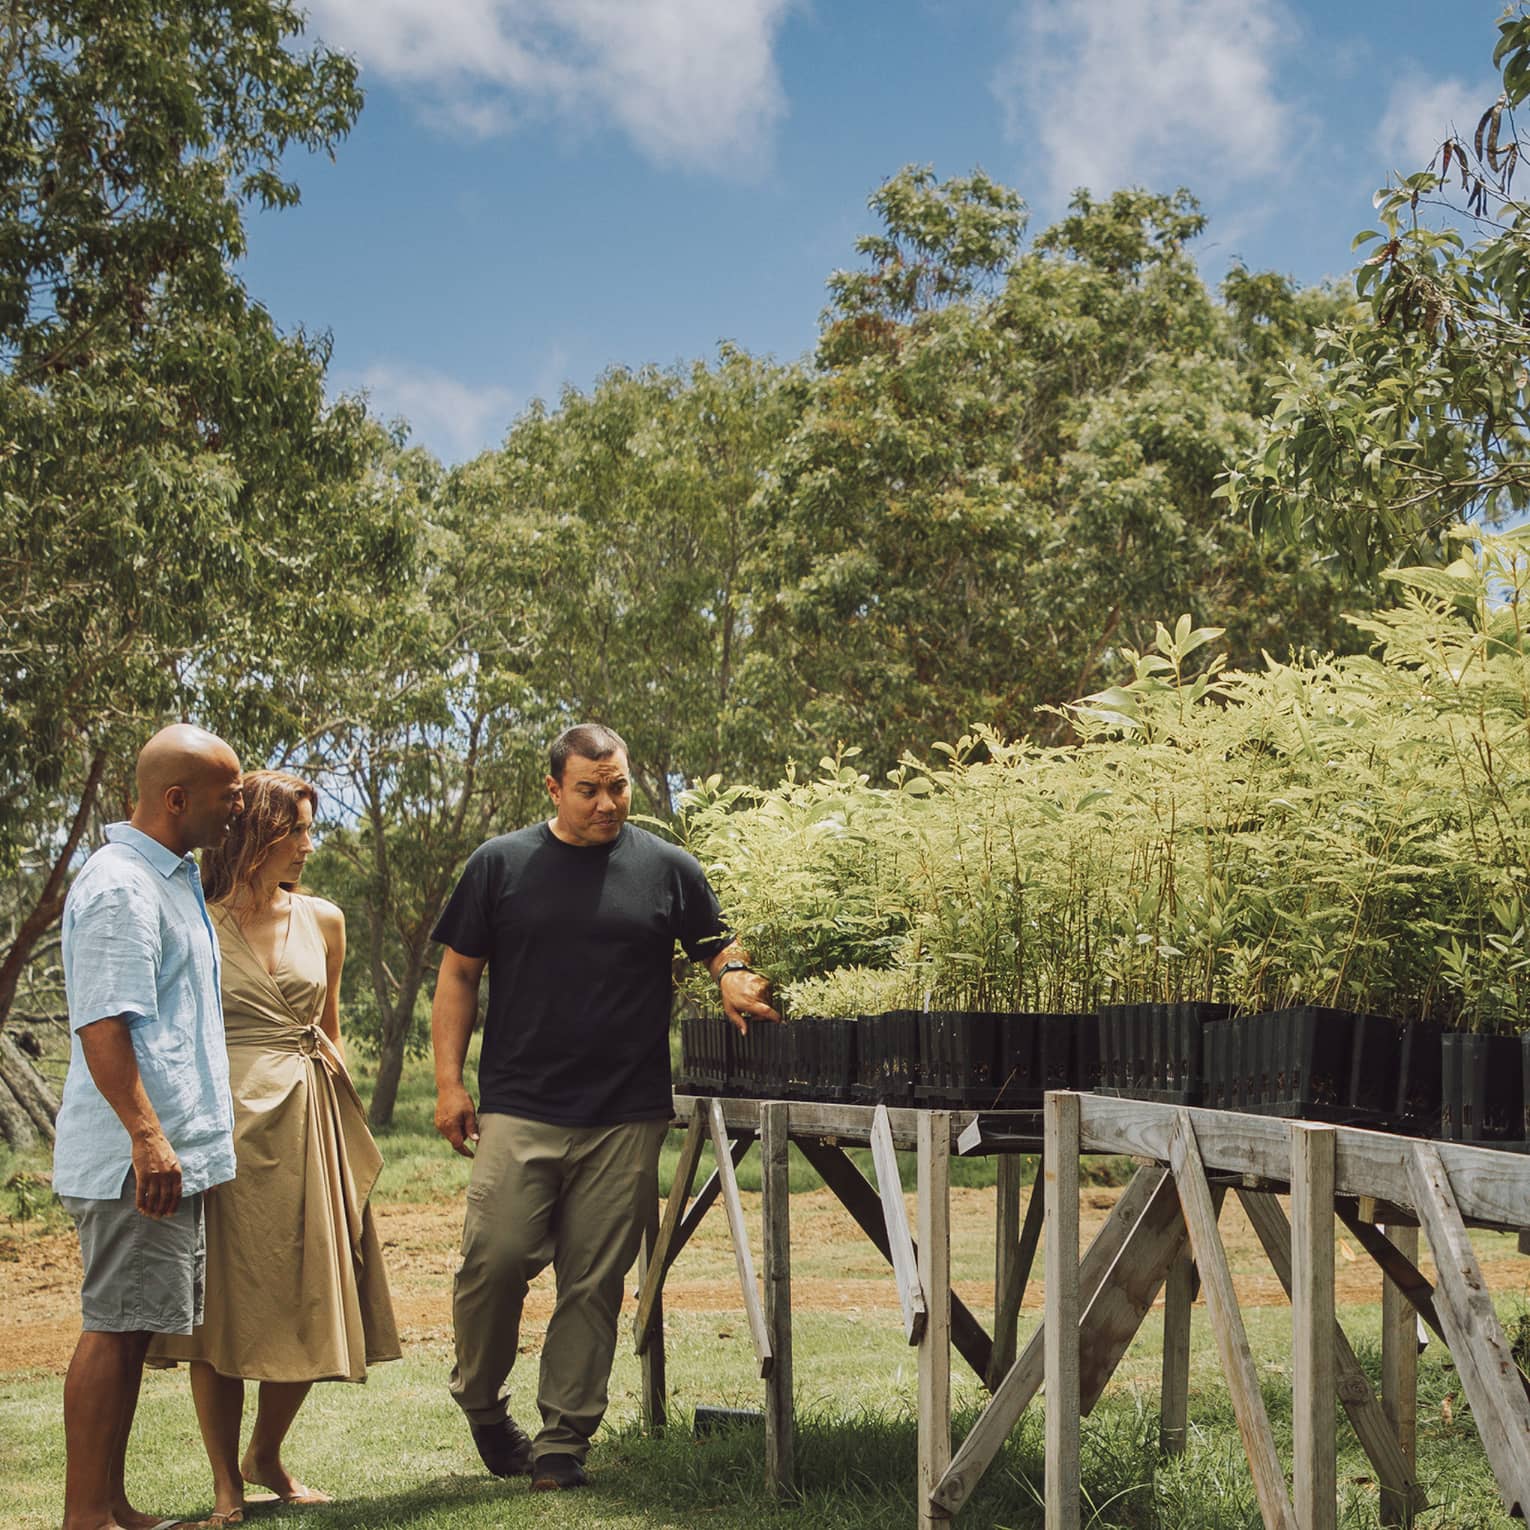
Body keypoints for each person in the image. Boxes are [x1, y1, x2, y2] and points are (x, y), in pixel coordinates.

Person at [431, 722, 779, 1491]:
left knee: (594, 1281)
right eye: (588, 789)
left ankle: (562, 1444)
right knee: (493, 1262)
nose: (607, 803)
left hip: (627, 1110)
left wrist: (734, 975)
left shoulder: (667, 869)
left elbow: (720, 945)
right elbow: (458, 975)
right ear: (553, 789)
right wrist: (450, 1083)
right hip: (521, 1104)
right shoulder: (500, 866)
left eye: (618, 786)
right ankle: (485, 1407)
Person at [148, 770, 401, 1525]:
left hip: (307, 1118)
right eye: (294, 831)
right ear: (255, 832)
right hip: (222, 1123)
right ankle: (227, 1483)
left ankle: (267, 1453)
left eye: (309, 830)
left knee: (313, 1293)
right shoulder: (195, 916)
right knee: (218, 1311)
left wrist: (347, 1126)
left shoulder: (323, 920)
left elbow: (327, 1025)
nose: (306, 846)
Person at [54, 724, 245, 1530]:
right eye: (227, 794)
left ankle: (109, 1505)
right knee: (114, 1325)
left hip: (166, 1154)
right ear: (177, 799)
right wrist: (147, 1135)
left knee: (132, 1330)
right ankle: (84, 1516)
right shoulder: (120, 884)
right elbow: (105, 1023)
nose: (237, 806)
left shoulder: (172, 879)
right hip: (134, 1159)